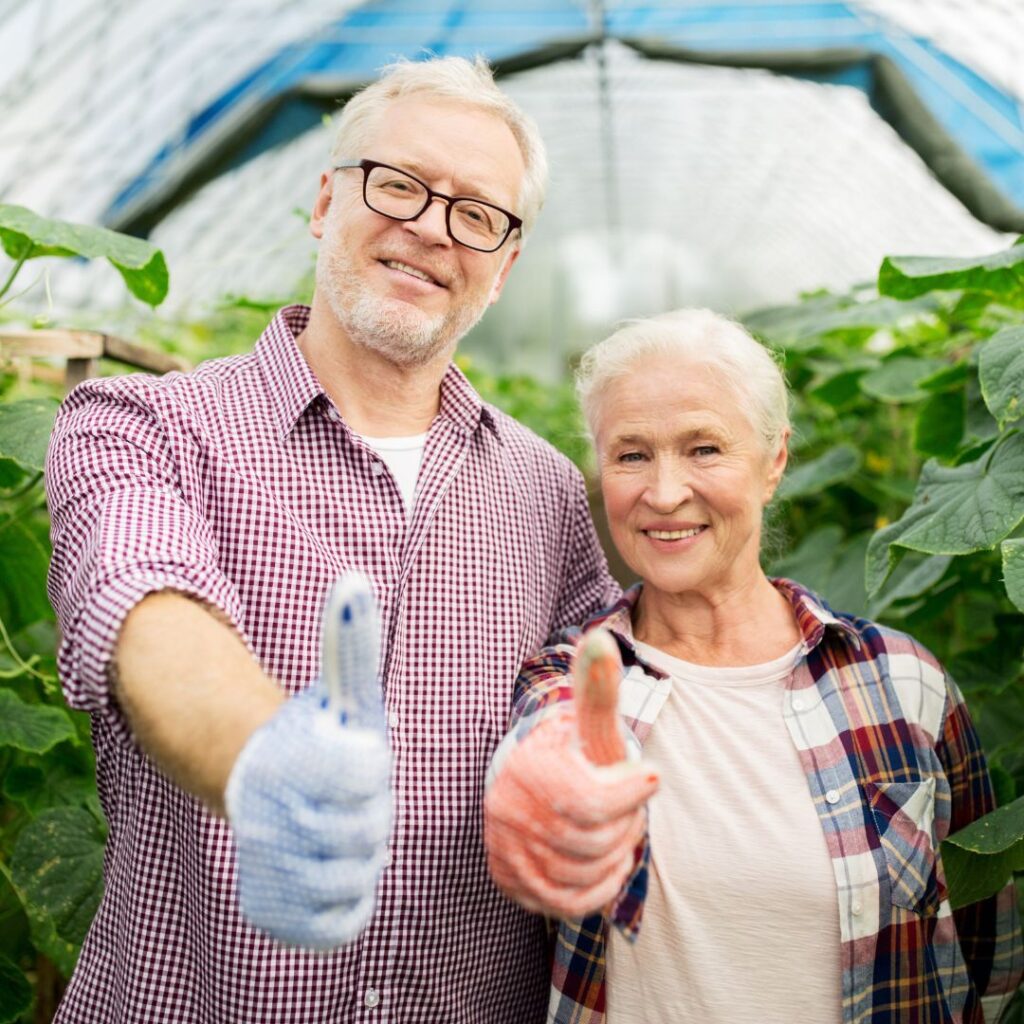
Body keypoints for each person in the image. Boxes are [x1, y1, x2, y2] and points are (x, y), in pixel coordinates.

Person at [44, 56, 619, 1024]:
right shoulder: (141, 424)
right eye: (398, 184)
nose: (432, 227)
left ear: (505, 261)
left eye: (477, 213)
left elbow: (588, 682)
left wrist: (567, 760)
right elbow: (142, 597)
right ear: (324, 199)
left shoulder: (547, 490)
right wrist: (262, 755)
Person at [484, 309, 1023, 1023]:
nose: (665, 491)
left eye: (704, 448)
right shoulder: (572, 681)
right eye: (631, 454)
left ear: (774, 461)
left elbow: (988, 953)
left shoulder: (903, 683)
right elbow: (540, 754)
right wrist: (545, 788)